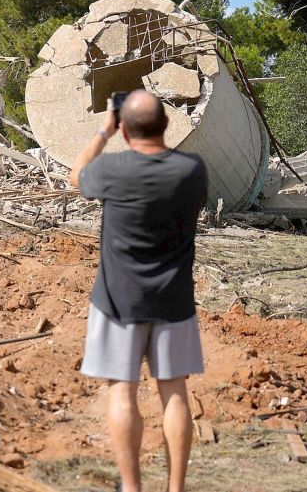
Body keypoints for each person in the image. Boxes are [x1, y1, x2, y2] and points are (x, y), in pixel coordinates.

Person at [69, 90, 207, 492]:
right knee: (175, 394)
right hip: (175, 301)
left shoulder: (112, 170)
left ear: (124, 128)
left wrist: (103, 132)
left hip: (117, 301)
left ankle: (132, 488)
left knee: (122, 393)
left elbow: (76, 175)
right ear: (165, 125)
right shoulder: (192, 170)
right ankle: (175, 488)